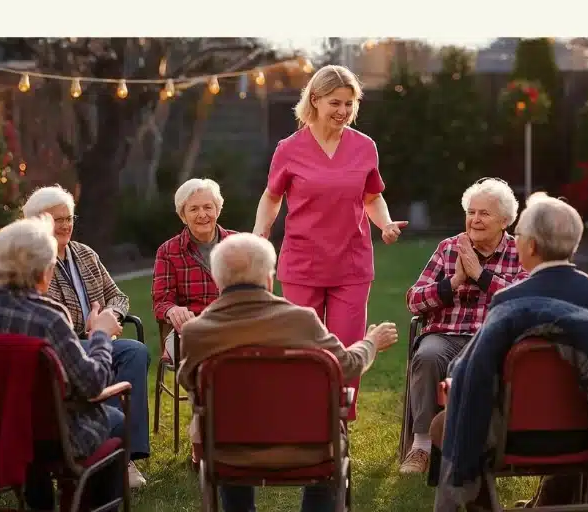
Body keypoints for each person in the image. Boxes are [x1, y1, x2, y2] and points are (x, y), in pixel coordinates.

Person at [433, 193, 588, 512]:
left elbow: (477, 371)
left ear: (527, 246)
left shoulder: (510, 301)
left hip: (520, 436)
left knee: (442, 425)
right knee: (574, 402)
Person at [176, 233, 399, 512]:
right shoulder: (303, 321)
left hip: (228, 455)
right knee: (331, 427)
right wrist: (371, 342)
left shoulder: (196, 332)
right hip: (310, 453)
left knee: (223, 416)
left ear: (217, 278)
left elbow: (187, 382)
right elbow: (347, 365)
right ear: (269, 276)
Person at [0, 215, 126, 512]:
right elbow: (92, 384)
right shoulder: (48, 317)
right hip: (48, 439)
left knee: (32, 417)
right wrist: (101, 335)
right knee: (117, 420)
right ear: (44, 269)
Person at [251, 65, 406, 417]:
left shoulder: (364, 147)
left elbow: (371, 196)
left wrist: (384, 224)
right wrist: (261, 231)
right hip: (302, 263)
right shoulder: (289, 149)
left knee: (348, 348)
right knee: (303, 348)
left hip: (351, 263)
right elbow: (272, 196)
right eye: (336, 103)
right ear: (315, 100)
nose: (343, 111)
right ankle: (304, 419)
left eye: (350, 104)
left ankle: (339, 423)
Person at [22, 185, 152, 489]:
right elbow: (44, 315)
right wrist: (95, 332)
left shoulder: (85, 254)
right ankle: (111, 453)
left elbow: (117, 296)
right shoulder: (35, 261)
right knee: (105, 356)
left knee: (134, 351)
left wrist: (110, 319)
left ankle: (128, 453)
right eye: (57, 220)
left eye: (69, 218)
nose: (66, 225)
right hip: (62, 344)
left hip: (97, 334)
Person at [400, 178, 528, 475]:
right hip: (444, 335)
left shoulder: (519, 252)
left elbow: (523, 302)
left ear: (505, 220)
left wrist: (481, 276)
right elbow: (413, 300)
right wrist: (454, 282)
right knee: (428, 355)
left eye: (484, 213)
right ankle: (421, 446)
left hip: (490, 337)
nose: (475, 219)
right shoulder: (448, 249)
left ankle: (484, 443)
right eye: (471, 212)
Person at [152, 178, 234, 364]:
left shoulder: (238, 244)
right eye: (194, 209)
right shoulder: (168, 251)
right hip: (191, 329)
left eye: (208, 207)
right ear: (183, 216)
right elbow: (161, 302)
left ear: (217, 210)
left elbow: (257, 292)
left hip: (233, 324)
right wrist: (173, 310)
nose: (202, 214)